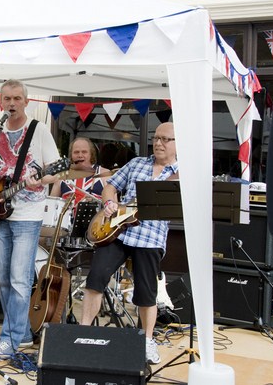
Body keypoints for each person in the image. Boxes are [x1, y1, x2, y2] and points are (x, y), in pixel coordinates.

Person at [80, 122, 178, 365]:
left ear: (178, 144)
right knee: (96, 277)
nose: (158, 143)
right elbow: (110, 186)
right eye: (156, 138)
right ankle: (83, 333)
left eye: (165, 139)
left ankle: (146, 341)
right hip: (119, 232)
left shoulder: (181, 174)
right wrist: (109, 203)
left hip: (151, 236)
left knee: (146, 292)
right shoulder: (137, 163)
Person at [0, 79, 61, 356]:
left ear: (26, 101)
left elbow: (56, 171)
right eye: (7, 98)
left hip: (28, 214)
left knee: (19, 280)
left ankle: (10, 340)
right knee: (2, 279)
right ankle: (23, 334)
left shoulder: (39, 130)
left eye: (16, 98)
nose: (11, 103)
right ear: (1, 101)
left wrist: (40, 180)